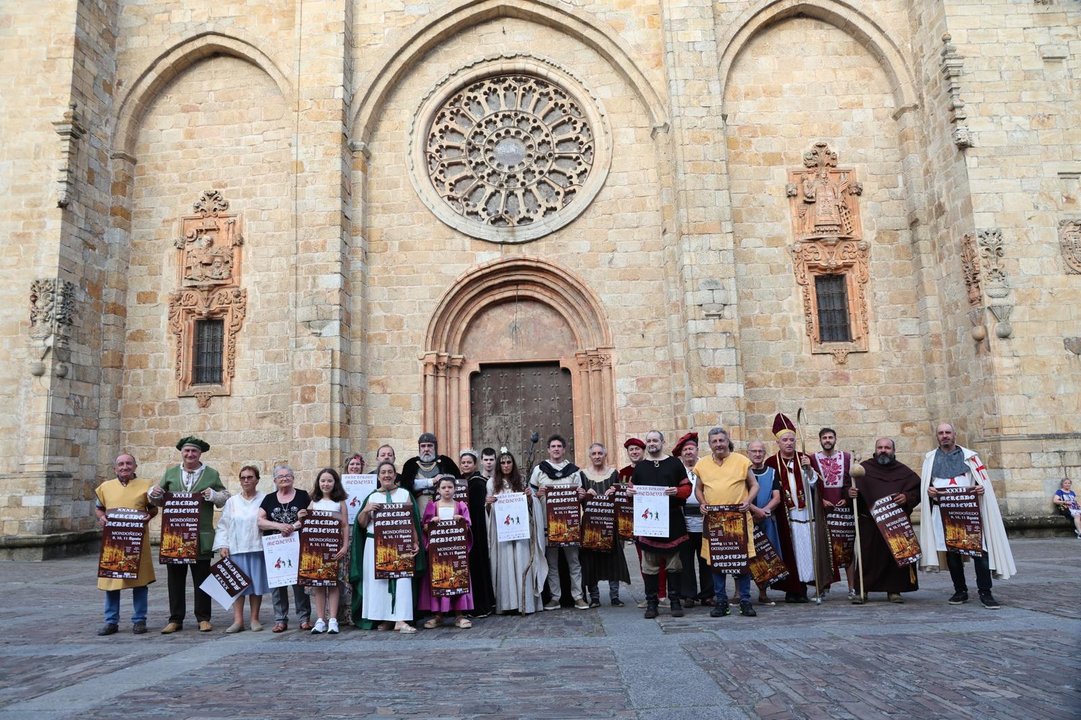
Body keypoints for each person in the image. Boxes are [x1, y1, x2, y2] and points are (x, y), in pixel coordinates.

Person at [919, 423, 1015, 608]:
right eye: (941, 433)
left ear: (955, 434)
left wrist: (981, 487)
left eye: (948, 432)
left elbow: (982, 482)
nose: (945, 436)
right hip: (944, 512)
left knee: (980, 552)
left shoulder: (971, 458)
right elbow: (926, 486)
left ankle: (985, 592)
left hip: (969, 511)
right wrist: (929, 492)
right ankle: (960, 591)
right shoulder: (930, 459)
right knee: (952, 553)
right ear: (936, 436)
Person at [148, 436, 229, 633]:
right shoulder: (171, 473)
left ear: (200, 454)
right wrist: (154, 493)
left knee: (202, 577)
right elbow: (158, 501)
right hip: (175, 536)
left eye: (194, 451)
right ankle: (175, 619)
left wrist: (214, 496)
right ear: (182, 453)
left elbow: (225, 497)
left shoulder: (211, 474)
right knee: (175, 579)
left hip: (200, 535)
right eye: (187, 451)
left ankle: (203, 618)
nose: (190, 455)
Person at [351, 460, 424, 633]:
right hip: (375, 545)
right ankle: (385, 619)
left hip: (400, 545)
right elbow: (361, 524)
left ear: (395, 474)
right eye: (383, 472)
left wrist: (415, 541)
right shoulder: (372, 496)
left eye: (390, 472)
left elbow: (411, 520)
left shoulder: (404, 494)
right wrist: (366, 510)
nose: (386, 475)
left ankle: (401, 619)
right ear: (378, 476)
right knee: (380, 583)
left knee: (402, 580)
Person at [766, 414, 831, 603]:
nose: (789, 443)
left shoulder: (805, 459)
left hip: (807, 514)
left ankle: (807, 586)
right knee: (791, 552)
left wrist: (809, 470)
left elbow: (816, 485)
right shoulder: (772, 462)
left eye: (792, 440)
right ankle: (793, 589)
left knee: (808, 552)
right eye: (784, 440)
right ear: (777, 442)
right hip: (786, 516)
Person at [694, 428, 759, 618]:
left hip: (738, 519)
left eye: (721, 440)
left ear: (727, 440)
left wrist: (749, 501)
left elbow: (754, 484)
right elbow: (698, 489)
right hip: (714, 521)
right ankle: (721, 601)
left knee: (742, 561)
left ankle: (745, 601)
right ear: (710, 444)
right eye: (714, 441)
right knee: (717, 562)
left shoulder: (741, 461)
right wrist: (703, 503)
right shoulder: (703, 464)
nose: (718, 444)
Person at [848, 439, 921, 604]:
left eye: (887, 448)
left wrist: (907, 497)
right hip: (870, 523)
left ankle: (894, 591)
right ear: (875, 450)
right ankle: (863, 591)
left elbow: (917, 490)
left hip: (895, 522)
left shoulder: (904, 471)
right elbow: (850, 488)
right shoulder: (863, 469)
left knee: (895, 557)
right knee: (867, 557)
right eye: (880, 447)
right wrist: (850, 493)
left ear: (894, 450)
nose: (883, 450)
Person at [631, 430, 692, 618]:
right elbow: (633, 489)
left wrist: (677, 492)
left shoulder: (674, 463)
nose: (651, 443)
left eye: (655, 440)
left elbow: (687, 488)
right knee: (649, 565)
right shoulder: (640, 467)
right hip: (649, 524)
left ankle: (674, 601)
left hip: (672, 520)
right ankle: (652, 603)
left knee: (674, 564)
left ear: (662, 442)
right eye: (648, 441)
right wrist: (630, 493)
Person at [94, 453, 157, 636]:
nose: (124, 467)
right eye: (121, 464)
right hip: (113, 542)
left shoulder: (146, 486)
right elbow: (99, 508)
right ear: (115, 468)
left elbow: (153, 508)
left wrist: (149, 516)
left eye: (128, 463)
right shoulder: (105, 487)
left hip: (136, 541)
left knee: (139, 582)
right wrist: (102, 518)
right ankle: (111, 620)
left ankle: (139, 620)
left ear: (135, 467)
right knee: (112, 581)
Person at [530, 434, 588, 610]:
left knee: (574, 561)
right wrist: (536, 495)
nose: (556, 449)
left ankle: (578, 596)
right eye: (553, 446)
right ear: (548, 449)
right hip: (548, 523)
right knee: (552, 562)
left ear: (564, 449)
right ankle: (555, 597)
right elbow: (530, 494)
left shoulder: (574, 471)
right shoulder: (539, 470)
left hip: (570, 524)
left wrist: (581, 495)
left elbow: (580, 493)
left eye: (559, 446)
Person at [485, 451, 548, 614]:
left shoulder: (521, 481)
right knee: (505, 565)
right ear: (499, 465)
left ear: (513, 464)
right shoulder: (491, 483)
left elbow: (532, 504)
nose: (506, 465)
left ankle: (525, 604)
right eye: (503, 463)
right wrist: (488, 504)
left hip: (521, 530)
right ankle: (508, 604)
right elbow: (488, 508)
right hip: (503, 532)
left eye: (509, 462)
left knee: (522, 562)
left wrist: (530, 497)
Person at [213, 465, 269, 633]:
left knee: (256, 586)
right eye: (243, 477)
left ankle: (254, 619)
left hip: (256, 547)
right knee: (237, 585)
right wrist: (223, 545)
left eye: (250, 477)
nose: (246, 480)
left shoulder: (264, 499)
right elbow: (224, 525)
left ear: (257, 480)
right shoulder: (232, 501)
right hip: (236, 548)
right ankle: (238, 620)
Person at [257, 465, 312, 633]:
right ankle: (280, 619)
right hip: (276, 547)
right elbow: (260, 521)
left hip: (297, 545)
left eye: (288, 475)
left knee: (299, 584)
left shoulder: (303, 495)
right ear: (274, 480)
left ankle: (304, 618)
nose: (285, 478)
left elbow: (310, 515)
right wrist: (279, 526)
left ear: (293, 478)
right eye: (280, 476)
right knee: (278, 585)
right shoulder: (269, 498)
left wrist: (294, 525)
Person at [577, 442, 630, 607]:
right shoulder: (582, 475)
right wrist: (584, 495)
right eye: (594, 454)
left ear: (605, 455)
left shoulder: (614, 473)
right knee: (591, 561)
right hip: (590, 525)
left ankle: (615, 596)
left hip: (610, 524)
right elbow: (577, 499)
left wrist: (616, 492)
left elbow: (624, 497)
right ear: (590, 456)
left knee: (613, 560)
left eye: (600, 453)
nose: (597, 456)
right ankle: (594, 598)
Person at [420, 477, 474, 629]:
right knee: (439, 580)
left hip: (456, 552)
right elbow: (424, 527)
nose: (447, 490)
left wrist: (461, 520)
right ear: (438, 490)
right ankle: (438, 615)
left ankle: (459, 615)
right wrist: (431, 523)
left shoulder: (461, 506)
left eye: (450, 487)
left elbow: (468, 526)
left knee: (458, 579)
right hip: (438, 553)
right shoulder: (433, 506)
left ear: (455, 489)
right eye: (443, 487)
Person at [620, 437, 668, 607]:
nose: (634, 452)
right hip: (635, 521)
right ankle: (651, 594)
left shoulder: (651, 468)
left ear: (643, 451)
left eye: (637, 449)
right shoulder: (623, 473)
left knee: (660, 558)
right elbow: (622, 498)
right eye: (631, 450)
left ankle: (662, 594)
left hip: (655, 519)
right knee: (644, 560)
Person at [302, 468, 350, 634]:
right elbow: (306, 524)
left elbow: (345, 525)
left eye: (329, 481)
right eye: (323, 481)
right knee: (319, 585)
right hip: (317, 550)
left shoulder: (340, 502)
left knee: (334, 584)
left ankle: (333, 619)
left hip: (335, 549)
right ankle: (321, 618)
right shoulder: (313, 502)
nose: (326, 484)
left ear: (335, 483)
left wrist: (345, 546)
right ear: (318, 483)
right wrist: (302, 516)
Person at [811, 427, 857, 598]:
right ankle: (824, 586)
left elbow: (851, 480)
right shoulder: (813, 459)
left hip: (843, 509)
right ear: (820, 440)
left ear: (835, 439)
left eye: (830, 437)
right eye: (824, 437)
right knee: (824, 547)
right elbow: (811, 483)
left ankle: (852, 587)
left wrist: (847, 496)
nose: (827, 440)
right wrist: (821, 500)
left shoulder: (846, 457)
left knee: (847, 548)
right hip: (824, 509)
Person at [674, 432, 711, 607]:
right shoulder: (677, 470)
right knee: (686, 560)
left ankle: (707, 594)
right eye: (685, 450)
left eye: (691, 449)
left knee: (706, 559)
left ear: (697, 450)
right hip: (684, 520)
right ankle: (688, 595)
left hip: (705, 519)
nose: (689, 452)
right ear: (681, 453)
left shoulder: (706, 467)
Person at [459, 449, 496, 617]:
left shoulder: (478, 482)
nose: (466, 465)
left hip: (476, 529)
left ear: (475, 464)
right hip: (463, 529)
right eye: (463, 463)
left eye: (469, 462)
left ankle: (481, 605)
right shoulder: (459, 482)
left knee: (477, 565)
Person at [747, 440, 782, 605]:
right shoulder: (743, 472)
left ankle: (763, 592)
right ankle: (741, 593)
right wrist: (755, 510)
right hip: (748, 519)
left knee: (766, 556)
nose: (757, 454)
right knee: (745, 556)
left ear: (764, 453)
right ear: (748, 453)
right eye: (754, 451)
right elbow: (740, 495)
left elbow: (777, 497)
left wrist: (765, 511)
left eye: (760, 451)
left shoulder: (772, 472)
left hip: (767, 519)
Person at [400, 432, 460, 515]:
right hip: (418, 507)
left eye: (430, 445)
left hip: (443, 509)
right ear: (419, 448)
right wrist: (432, 481)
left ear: (435, 447)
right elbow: (405, 486)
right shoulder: (410, 464)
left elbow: (458, 484)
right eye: (423, 446)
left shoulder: (446, 462)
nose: (426, 449)